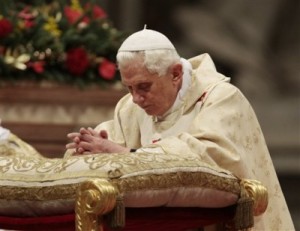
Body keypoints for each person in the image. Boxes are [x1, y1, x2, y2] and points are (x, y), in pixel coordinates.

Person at [66, 28, 295, 230]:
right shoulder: (129, 108)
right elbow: (110, 143)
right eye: (129, 88)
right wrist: (88, 149)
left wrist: (126, 155)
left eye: (144, 87)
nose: (136, 98)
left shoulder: (220, 99)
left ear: (175, 73)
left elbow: (207, 156)